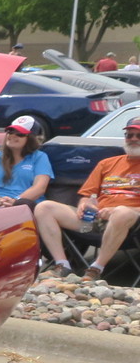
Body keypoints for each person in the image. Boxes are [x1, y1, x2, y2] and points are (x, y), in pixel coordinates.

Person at [32, 115, 140, 281]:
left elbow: (125, 213)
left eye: (138, 135)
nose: (133, 139)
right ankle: (62, 264)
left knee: (121, 213)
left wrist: (118, 211)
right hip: (94, 221)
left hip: (131, 223)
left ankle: (95, 269)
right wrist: (85, 205)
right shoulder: (107, 163)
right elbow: (88, 194)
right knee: (44, 208)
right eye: (129, 135)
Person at [0, 116, 52, 207]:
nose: (12, 135)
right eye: (10, 131)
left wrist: (15, 201)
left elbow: (39, 188)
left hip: (23, 203)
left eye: (20, 134)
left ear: (31, 138)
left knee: (23, 203)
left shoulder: (40, 157)